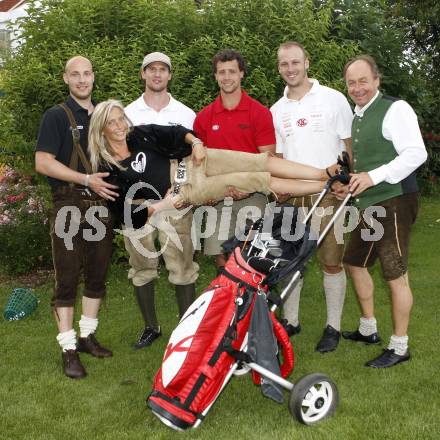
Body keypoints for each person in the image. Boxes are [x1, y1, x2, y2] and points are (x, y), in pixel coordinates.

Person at [88, 100, 340, 229]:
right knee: (257, 180)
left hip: (191, 161)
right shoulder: (108, 170)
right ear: (101, 129)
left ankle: (324, 172)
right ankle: (326, 186)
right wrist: (159, 206)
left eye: (122, 118)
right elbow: (125, 216)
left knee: (259, 161)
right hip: (184, 190)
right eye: (112, 122)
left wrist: (196, 143)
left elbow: (176, 134)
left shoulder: (139, 133)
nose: (121, 126)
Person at [338, 55, 427, 368]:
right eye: (352, 82)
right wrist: (348, 179)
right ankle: (368, 329)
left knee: (395, 273)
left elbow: (417, 152)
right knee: (354, 262)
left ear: (376, 80)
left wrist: (373, 176)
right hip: (369, 203)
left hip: (395, 200)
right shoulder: (357, 114)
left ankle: (400, 346)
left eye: (363, 81)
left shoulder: (395, 108)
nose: (358, 88)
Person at [35, 56, 119, 379]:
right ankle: (68, 348)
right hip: (68, 204)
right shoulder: (56, 116)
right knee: (67, 278)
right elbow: (43, 162)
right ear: (66, 78)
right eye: (75, 75)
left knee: (97, 275)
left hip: (100, 206)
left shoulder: (105, 115)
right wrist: (85, 179)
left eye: (86, 74)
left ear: (93, 77)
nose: (82, 80)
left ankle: (87, 337)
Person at [271, 41, 353, 353]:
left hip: (329, 194)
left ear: (307, 62)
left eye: (295, 62)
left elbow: (348, 146)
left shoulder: (333, 99)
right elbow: (278, 156)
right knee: (292, 262)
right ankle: (291, 321)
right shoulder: (276, 111)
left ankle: (333, 326)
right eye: (284, 64)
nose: (290, 69)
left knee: (331, 261)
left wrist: (346, 179)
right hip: (293, 197)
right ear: (279, 68)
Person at [123, 52, 198, 349]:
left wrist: (177, 191)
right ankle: (151, 327)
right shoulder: (127, 114)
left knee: (182, 264)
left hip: (174, 201)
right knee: (141, 265)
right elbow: (121, 158)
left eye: (162, 70)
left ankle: (185, 330)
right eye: (151, 69)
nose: (156, 75)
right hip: (137, 202)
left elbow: (189, 159)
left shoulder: (185, 114)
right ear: (143, 74)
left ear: (169, 75)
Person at [193, 49, 276, 271]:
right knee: (222, 259)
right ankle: (228, 305)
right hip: (219, 198)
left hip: (254, 195)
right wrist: (206, 193)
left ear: (241, 74)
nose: (227, 77)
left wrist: (247, 189)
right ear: (215, 76)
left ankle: (253, 305)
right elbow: (201, 165)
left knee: (252, 258)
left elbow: (267, 160)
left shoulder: (259, 113)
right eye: (222, 72)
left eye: (232, 71)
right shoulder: (204, 117)